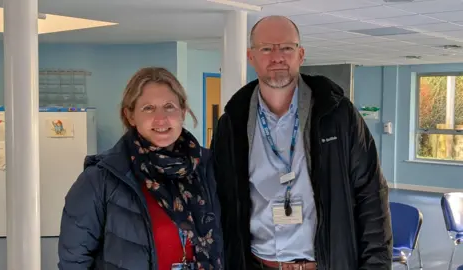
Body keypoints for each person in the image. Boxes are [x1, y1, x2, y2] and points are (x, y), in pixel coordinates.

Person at [210, 15, 392, 270]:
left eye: (286, 47)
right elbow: (220, 201)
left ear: (301, 54)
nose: (277, 57)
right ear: (251, 57)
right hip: (258, 263)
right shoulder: (233, 122)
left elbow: (371, 194)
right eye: (266, 48)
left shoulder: (337, 115)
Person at [58, 67, 223, 270]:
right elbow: (74, 261)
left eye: (169, 106)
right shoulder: (100, 179)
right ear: (130, 116)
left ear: (183, 111)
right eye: (148, 108)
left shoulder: (210, 167)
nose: (160, 119)